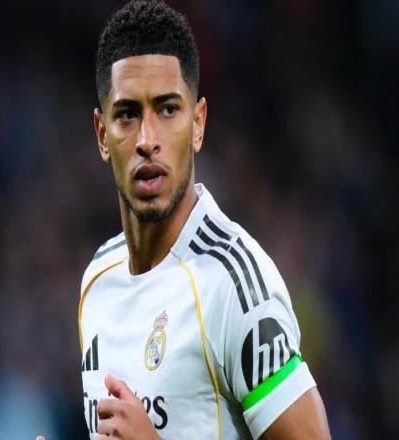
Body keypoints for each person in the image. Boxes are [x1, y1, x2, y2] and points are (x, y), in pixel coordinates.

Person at [58, 1, 331, 439]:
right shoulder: (97, 281)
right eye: (127, 114)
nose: (147, 139)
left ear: (198, 123)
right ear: (102, 134)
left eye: (168, 110)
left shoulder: (235, 287)